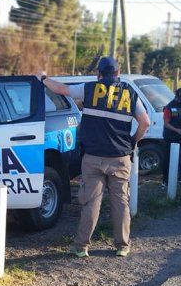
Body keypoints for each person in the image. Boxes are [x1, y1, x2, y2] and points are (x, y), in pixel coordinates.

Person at [36, 57, 151, 258]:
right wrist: (132, 142)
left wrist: (43, 78)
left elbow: (62, 90)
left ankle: (81, 247)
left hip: (93, 157)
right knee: (121, 202)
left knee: (91, 202)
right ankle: (122, 246)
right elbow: (145, 122)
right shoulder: (129, 92)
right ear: (118, 73)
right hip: (120, 156)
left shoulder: (89, 89)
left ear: (99, 73)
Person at [162, 88, 181, 187]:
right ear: (176, 96)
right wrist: (176, 130)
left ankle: (180, 177)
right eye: (180, 97)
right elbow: (166, 123)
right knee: (167, 159)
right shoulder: (169, 107)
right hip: (170, 137)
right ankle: (165, 180)